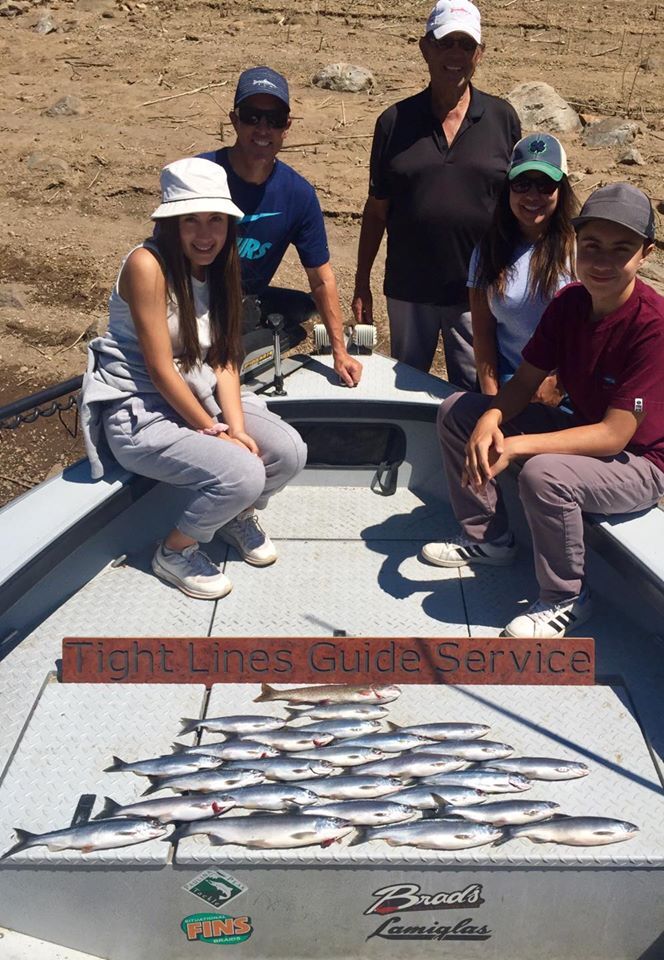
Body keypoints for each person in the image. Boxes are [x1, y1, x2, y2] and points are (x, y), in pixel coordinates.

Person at [421, 183, 664, 638]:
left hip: (642, 462)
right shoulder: (570, 303)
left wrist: (516, 443)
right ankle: (487, 538)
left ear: (645, 252)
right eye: (591, 245)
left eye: (621, 249)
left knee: (544, 474)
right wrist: (492, 417)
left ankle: (567, 597)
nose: (603, 261)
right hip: (581, 428)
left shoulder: (654, 326)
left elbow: (614, 436)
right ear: (575, 244)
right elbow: (527, 381)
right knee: (459, 410)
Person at [80, 157, 307, 600]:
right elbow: (160, 369)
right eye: (191, 221)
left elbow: (224, 359)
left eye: (216, 221)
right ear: (170, 223)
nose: (205, 235)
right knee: (243, 471)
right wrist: (213, 429)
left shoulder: (221, 268)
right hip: (141, 408)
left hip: (196, 393)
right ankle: (175, 550)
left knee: (288, 452)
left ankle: (233, 515)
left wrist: (236, 428)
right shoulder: (147, 266)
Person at [352, 0, 521, 385]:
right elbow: (377, 209)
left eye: (466, 45)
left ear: (480, 53)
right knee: (408, 386)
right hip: (409, 290)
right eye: (446, 44)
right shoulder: (394, 122)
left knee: (474, 390)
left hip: (476, 292)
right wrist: (362, 282)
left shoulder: (502, 118)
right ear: (425, 48)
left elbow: (518, 206)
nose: (456, 55)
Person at [199, 66, 362, 388]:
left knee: (307, 307)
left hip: (248, 295)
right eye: (252, 116)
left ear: (286, 126)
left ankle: (246, 331)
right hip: (196, 296)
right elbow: (158, 257)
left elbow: (321, 277)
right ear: (234, 120)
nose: (263, 128)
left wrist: (339, 352)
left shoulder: (298, 194)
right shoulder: (201, 174)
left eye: (273, 119)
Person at [470, 132, 577, 403]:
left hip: (567, 387)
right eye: (522, 183)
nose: (533, 195)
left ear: (561, 190)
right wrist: (493, 401)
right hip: (508, 382)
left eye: (545, 185)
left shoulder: (578, 251)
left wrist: (560, 384)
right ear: (508, 187)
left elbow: (590, 332)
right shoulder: (487, 251)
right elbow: (483, 334)